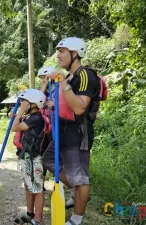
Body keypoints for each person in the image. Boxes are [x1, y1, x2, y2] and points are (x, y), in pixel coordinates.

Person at [42, 37, 101, 225]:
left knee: (80, 177)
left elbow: (79, 108)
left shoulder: (85, 75)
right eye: (58, 51)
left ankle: (76, 219)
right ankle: (77, 191)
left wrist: (63, 84)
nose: (58, 55)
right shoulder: (69, 77)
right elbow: (63, 104)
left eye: (62, 51)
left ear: (75, 54)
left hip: (78, 132)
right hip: (63, 129)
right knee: (48, 159)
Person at [11, 89, 47, 225]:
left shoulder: (36, 118)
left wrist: (20, 112)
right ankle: (29, 213)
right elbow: (16, 123)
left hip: (34, 157)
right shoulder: (30, 117)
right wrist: (18, 113)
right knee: (28, 186)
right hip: (26, 156)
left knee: (37, 188)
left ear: (33, 103)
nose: (21, 103)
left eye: (24, 101)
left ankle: (37, 219)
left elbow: (15, 127)